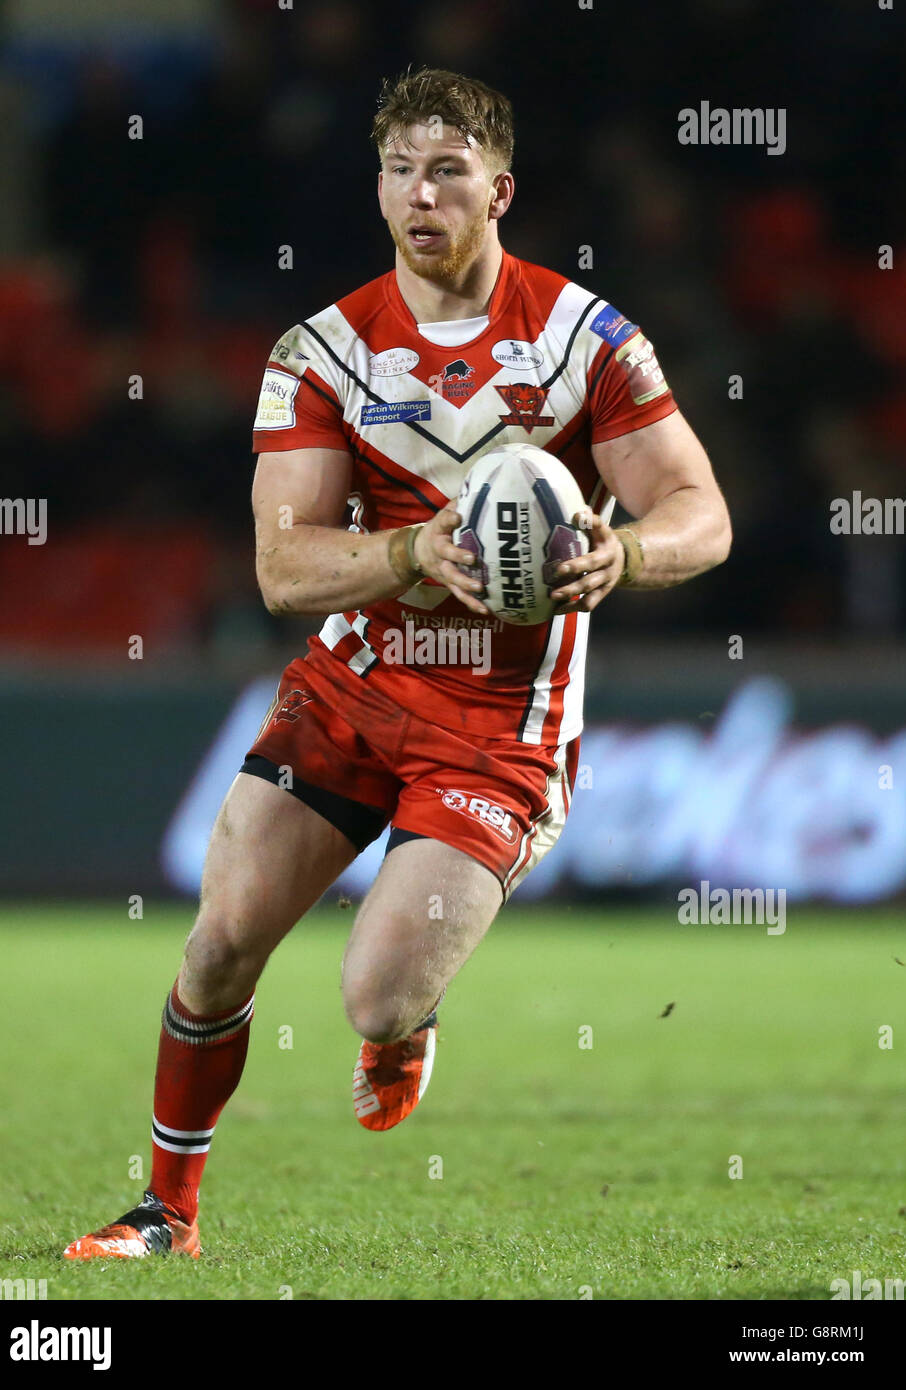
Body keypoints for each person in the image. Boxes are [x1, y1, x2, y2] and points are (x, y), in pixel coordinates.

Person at [64, 66, 731, 1260]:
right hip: (354, 690)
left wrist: (624, 557)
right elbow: (283, 567)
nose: (420, 194)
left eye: (447, 171)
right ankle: (168, 1213)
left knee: (373, 990)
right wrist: (420, 546)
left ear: (500, 190)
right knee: (218, 945)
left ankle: (403, 1020)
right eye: (399, 170)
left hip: (500, 722)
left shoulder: (584, 337)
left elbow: (701, 513)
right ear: (378, 189)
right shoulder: (323, 352)